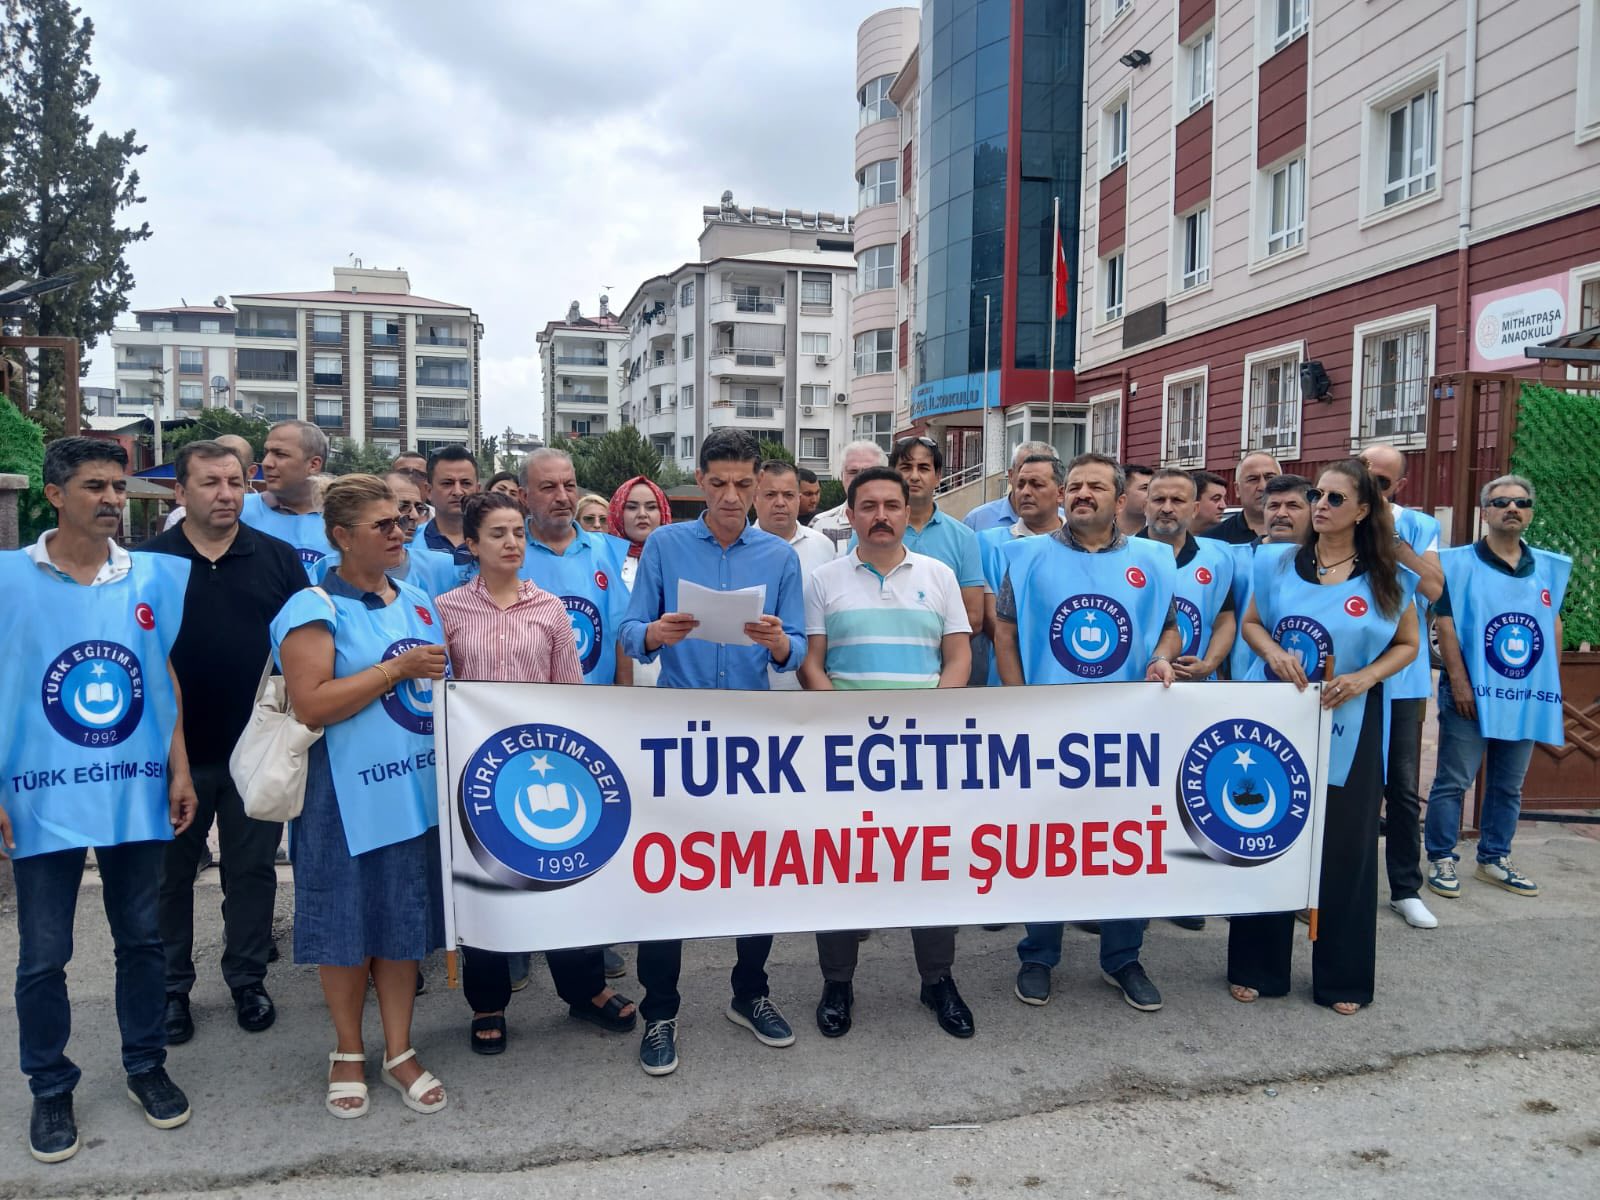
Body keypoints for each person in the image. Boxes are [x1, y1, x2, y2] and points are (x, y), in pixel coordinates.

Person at [0, 437, 198, 1163]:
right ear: (54, 495)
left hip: (132, 790)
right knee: (43, 953)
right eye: (95, 486)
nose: (112, 499)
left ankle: (146, 1064)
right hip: (39, 792)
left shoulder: (149, 576)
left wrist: (180, 769)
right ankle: (50, 1085)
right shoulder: (8, 579)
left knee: (141, 938)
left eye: (118, 486)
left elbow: (160, 676)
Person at [619, 428, 806, 1076]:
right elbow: (629, 630)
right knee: (667, 875)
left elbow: (797, 648)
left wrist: (779, 643)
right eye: (719, 483)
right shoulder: (665, 545)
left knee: (756, 872)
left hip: (752, 736)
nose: (731, 496)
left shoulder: (779, 557)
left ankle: (750, 993)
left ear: (759, 485)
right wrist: (654, 632)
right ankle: (660, 1011)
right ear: (699, 481)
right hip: (678, 730)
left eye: (743, 484)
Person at [270, 474, 450, 1118]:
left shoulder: (420, 601)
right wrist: (394, 670)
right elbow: (312, 703)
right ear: (342, 536)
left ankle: (400, 1050)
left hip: (413, 792)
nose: (401, 531)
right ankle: (347, 1049)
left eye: (403, 519)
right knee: (345, 926)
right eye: (385, 524)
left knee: (402, 923)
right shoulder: (313, 607)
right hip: (342, 798)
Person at [435, 494, 638, 1055]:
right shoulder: (446, 610)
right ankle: (488, 1002)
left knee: (560, 878)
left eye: (517, 533)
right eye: (496, 534)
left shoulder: (549, 608)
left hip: (545, 765)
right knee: (485, 882)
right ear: (471, 544)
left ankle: (584, 989)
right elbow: (442, 691)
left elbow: (569, 692)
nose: (511, 543)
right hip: (478, 771)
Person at [1229, 460, 1420, 1015]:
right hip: (1276, 719)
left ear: (1362, 511)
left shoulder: (1386, 575)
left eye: (1336, 498)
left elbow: (1407, 644)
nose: (1321, 505)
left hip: (1351, 719)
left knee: (1346, 848)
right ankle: (1257, 965)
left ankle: (1343, 977)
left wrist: (1365, 677)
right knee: (1266, 831)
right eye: (1317, 494)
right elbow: (1252, 624)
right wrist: (1273, 653)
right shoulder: (1277, 562)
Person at [994, 453, 1180, 1013]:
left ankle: (1123, 957)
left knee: (1125, 843)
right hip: (1048, 729)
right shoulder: (1025, 557)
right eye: (1073, 486)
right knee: (1045, 843)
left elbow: (1169, 630)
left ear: (1120, 500)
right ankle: (1038, 954)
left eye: (1095, 486)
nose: (1081, 494)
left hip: (1128, 734)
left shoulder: (1154, 559)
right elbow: (1005, 634)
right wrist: (1019, 703)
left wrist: (1162, 658)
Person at [138, 441, 305, 1046]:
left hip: (255, 751)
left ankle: (247, 978)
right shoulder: (147, 563)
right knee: (168, 877)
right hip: (171, 753)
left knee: (252, 870)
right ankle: (171, 989)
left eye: (236, 482)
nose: (227, 494)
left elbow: (302, 648)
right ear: (180, 491)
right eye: (211, 483)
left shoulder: (278, 559)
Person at [799, 467, 974, 1038]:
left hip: (923, 751)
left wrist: (931, 719)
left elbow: (957, 658)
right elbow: (812, 663)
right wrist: (842, 725)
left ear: (907, 511)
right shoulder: (823, 579)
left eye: (892, 505)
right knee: (841, 866)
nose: (881, 516)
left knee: (930, 864)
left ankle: (937, 980)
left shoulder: (939, 575)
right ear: (849, 515)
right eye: (868, 506)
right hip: (846, 753)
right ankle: (838, 982)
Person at [1425, 475, 1568, 901]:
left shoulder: (1549, 567)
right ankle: (1441, 857)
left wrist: (1549, 686)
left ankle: (1494, 858)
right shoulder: (1456, 563)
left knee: (1509, 785)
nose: (1512, 509)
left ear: (1530, 513)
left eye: (1521, 503)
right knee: (1454, 781)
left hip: (1523, 696)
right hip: (1470, 693)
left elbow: (1553, 625)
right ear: (1485, 512)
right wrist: (1459, 682)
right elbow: (1446, 624)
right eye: (1501, 502)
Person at [1358, 443, 1445, 930]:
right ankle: (1336, 886)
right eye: (1363, 474)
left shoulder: (1418, 525)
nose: (1370, 486)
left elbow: (1434, 588)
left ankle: (1406, 888)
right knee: (1347, 787)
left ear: (1400, 487)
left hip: (1403, 677)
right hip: (1348, 671)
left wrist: (1393, 539)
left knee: (1403, 788)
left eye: (1382, 482)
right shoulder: (1336, 514)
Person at [519, 449, 632, 686]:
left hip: (595, 701)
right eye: (549, 487)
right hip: (531, 701)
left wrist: (626, 697)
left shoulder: (608, 551)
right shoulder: (509, 553)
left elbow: (620, 634)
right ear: (524, 496)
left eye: (569, 486)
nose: (562, 497)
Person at [977, 453, 1065, 685]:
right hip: (1008, 678)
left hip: (1070, 673)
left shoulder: (1081, 546)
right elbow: (992, 619)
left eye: (1036, 484)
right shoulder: (986, 544)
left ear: (1060, 493)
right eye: (1020, 484)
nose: (1025, 492)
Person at [1142, 469, 1236, 681]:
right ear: (1145, 506)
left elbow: (1224, 620)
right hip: (1136, 684)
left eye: (1177, 500)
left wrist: (1209, 664)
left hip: (1196, 686)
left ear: (1195, 509)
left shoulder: (1217, 558)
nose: (1167, 508)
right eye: (1158, 500)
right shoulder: (1123, 554)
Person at [883, 436, 985, 632]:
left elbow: (972, 617)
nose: (914, 476)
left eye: (923, 468)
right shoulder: (870, 533)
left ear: (938, 477)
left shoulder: (963, 537)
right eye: (906, 467)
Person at [312, 471, 460, 600]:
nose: (398, 533)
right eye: (383, 524)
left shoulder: (419, 598)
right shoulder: (317, 595)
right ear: (342, 536)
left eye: (396, 521)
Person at [753, 460, 836, 690]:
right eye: (770, 494)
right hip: (753, 684)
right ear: (755, 498)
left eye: (788, 495)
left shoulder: (823, 546)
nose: (780, 503)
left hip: (812, 685)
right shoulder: (737, 550)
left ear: (799, 499)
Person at [1227, 474, 1312, 680]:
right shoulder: (1232, 559)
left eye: (1293, 506)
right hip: (1239, 681)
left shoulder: (1328, 565)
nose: (1281, 513)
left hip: (1305, 678)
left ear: (1312, 511)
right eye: (1273, 506)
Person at [240, 420, 334, 576]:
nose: (266, 463)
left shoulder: (345, 520)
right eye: (266, 453)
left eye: (280, 454)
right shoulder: (239, 510)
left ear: (314, 465)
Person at [163, 433, 256, 531]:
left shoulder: (265, 536)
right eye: (210, 484)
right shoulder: (178, 518)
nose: (226, 495)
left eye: (234, 483)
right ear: (182, 493)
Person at [812, 440, 889, 552]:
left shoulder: (898, 523)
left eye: (869, 472)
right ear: (841, 476)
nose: (860, 478)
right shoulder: (820, 524)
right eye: (853, 472)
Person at [963, 441, 1056, 532]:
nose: (1027, 491)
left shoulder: (1063, 522)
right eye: (1023, 470)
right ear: (1011, 475)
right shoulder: (976, 521)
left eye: (1039, 473)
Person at [415, 444, 480, 571]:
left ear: (478, 490)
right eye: (447, 483)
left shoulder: (500, 543)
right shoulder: (408, 542)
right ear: (429, 491)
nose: (457, 492)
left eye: (466, 483)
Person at [608, 474, 671, 590]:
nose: (642, 514)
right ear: (618, 512)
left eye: (651, 507)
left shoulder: (677, 557)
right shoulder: (602, 558)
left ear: (663, 512)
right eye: (632, 507)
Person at [1203, 453, 1280, 544]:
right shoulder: (1213, 540)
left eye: (1270, 478)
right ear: (1237, 489)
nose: (1263, 487)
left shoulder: (1295, 535)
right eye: (1253, 479)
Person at [1115, 463, 1153, 537]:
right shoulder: (1099, 530)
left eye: (1154, 488)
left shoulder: (1162, 534)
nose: (1154, 494)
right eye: (1145, 488)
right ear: (1122, 492)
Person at [1190, 470, 1228, 536]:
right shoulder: (1172, 537)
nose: (1223, 506)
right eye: (1216, 499)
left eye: (1224, 499)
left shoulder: (1231, 538)